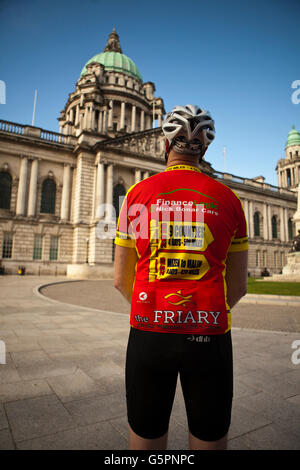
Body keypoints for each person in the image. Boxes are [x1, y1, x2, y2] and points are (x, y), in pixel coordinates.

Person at [114, 104, 248, 450]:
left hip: (149, 333)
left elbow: (119, 278)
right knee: (209, 436)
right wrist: (203, 310)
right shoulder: (230, 199)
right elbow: (238, 286)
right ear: (203, 149)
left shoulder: (135, 195)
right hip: (209, 334)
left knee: (146, 436)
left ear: (165, 145)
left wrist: (155, 309)